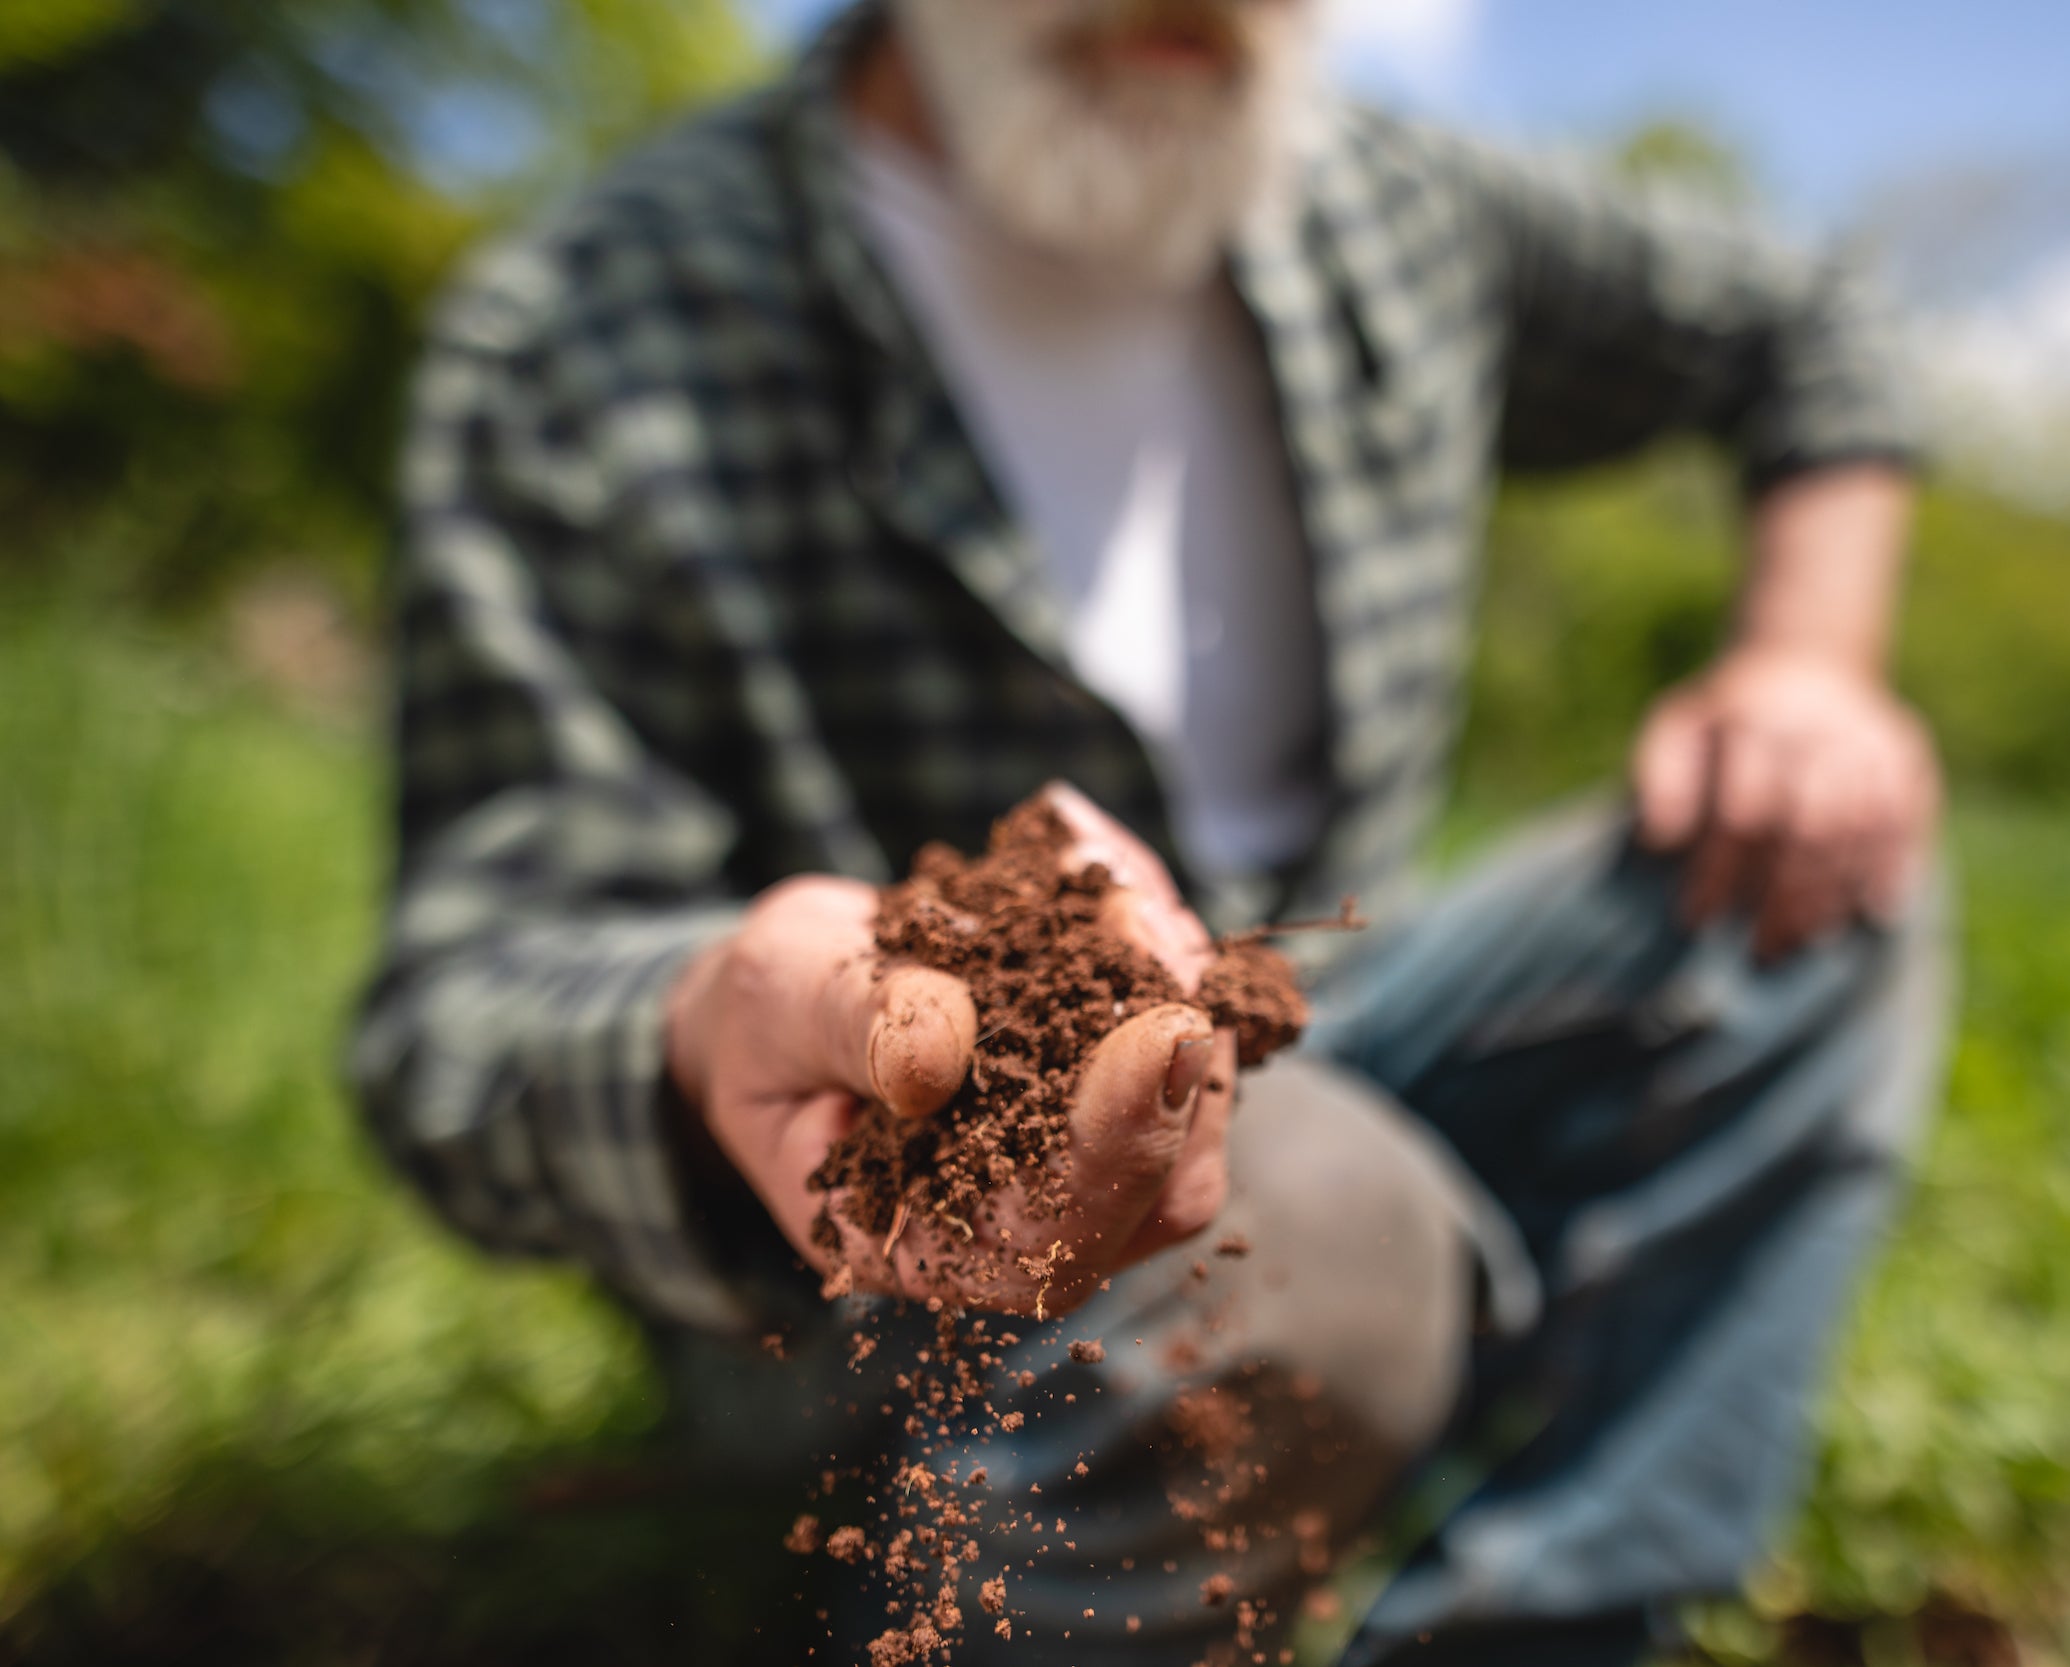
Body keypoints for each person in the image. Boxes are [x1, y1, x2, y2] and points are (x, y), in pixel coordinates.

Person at [353, 0, 1950, 1661]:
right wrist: (713, 1012)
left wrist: (1807, 664)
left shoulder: (1387, 209)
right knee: (1305, 1222)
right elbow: (464, 1010)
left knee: (1807, 869)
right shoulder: (594, 327)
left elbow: (1808, 317)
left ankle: (1547, 1622)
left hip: (1350, 1019)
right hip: (865, 1236)